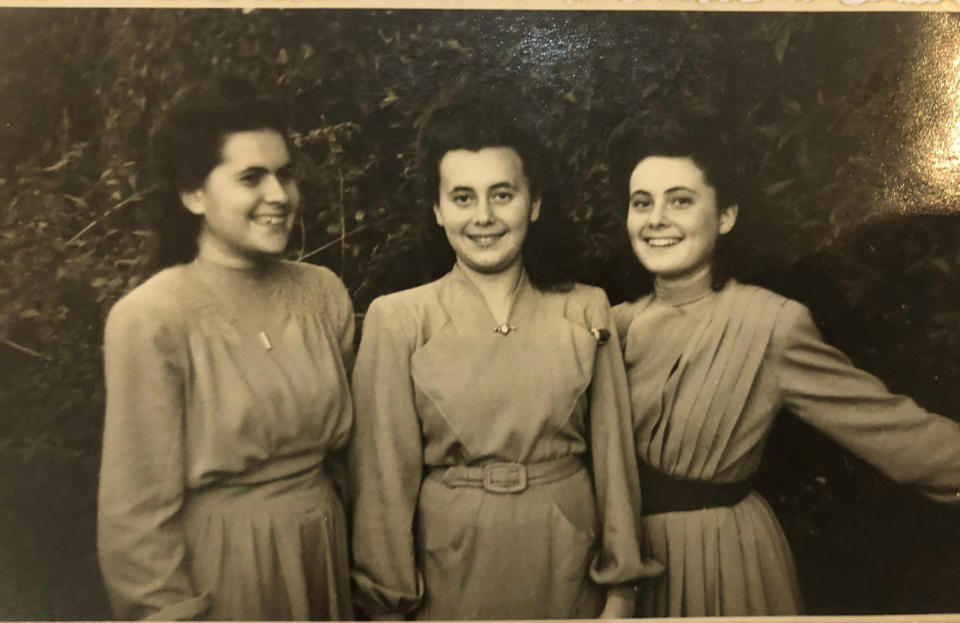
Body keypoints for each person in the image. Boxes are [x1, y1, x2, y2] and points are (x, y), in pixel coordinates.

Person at [606, 116, 960, 617]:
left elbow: (896, 431)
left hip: (722, 562)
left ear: (725, 215)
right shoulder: (605, 326)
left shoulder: (770, 323)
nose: (656, 218)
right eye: (642, 203)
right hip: (621, 566)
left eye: (681, 200)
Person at [348, 85, 662, 620]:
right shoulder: (399, 319)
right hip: (450, 566)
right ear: (438, 210)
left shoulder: (586, 309)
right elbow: (382, 488)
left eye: (503, 193)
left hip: (569, 561)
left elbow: (613, 464)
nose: (484, 216)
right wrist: (387, 606)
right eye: (463, 197)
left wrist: (621, 591)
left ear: (534, 202)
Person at [97, 77, 355, 620]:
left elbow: (352, 464)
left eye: (285, 174)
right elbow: (135, 515)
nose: (280, 196)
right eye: (250, 178)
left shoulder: (322, 292)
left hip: (325, 553)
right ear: (193, 193)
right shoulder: (152, 317)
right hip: (227, 571)